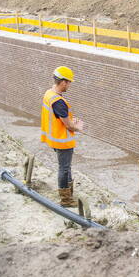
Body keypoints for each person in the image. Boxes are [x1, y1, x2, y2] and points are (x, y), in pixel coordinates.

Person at [41, 66, 82, 207]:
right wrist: (77, 126)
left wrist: (70, 120)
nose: (70, 85)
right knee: (64, 168)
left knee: (66, 167)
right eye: (69, 82)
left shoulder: (49, 94)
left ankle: (69, 194)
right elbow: (68, 126)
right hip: (62, 141)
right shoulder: (58, 102)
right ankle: (66, 200)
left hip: (53, 138)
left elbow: (58, 118)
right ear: (63, 82)